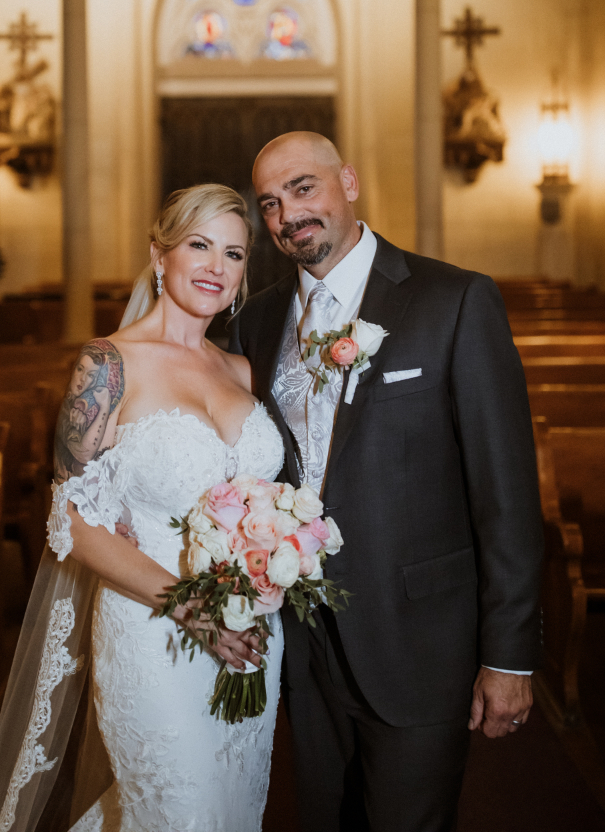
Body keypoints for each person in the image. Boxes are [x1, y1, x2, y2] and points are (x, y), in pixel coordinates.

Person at [229, 131, 543, 832]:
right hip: (305, 650)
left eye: (303, 189)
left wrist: (510, 656)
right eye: (271, 204)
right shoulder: (257, 321)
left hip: (421, 643)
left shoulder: (454, 301)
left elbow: (508, 496)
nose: (288, 216)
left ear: (348, 180)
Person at [0, 185, 285, 832]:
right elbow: (72, 523)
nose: (216, 266)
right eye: (198, 245)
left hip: (251, 633)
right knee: (180, 812)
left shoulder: (245, 371)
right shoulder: (107, 366)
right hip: (153, 625)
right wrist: (191, 608)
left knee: (232, 810)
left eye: (234, 252)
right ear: (158, 254)